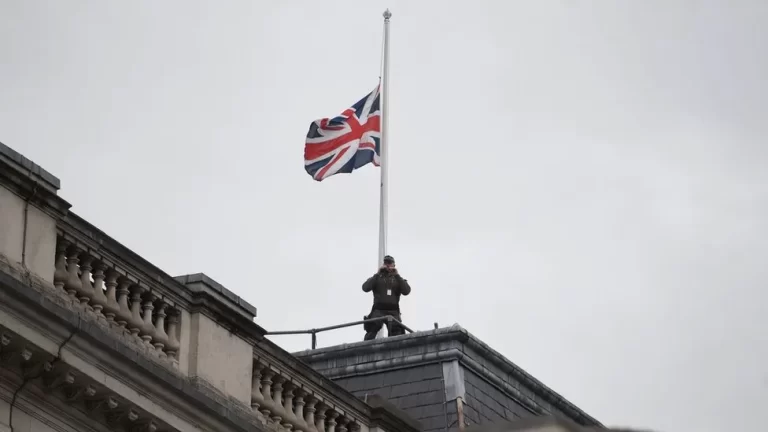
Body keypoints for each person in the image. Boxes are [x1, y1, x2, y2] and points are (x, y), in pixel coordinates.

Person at [362, 255, 411, 341]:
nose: (388, 265)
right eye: (386, 263)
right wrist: (377, 273)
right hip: (378, 310)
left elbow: (406, 291)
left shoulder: (398, 279)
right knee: (372, 328)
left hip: (393, 311)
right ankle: (365, 349)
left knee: (397, 333)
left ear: (394, 265)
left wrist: (397, 275)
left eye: (390, 263)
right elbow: (365, 288)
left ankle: (395, 350)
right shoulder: (377, 278)